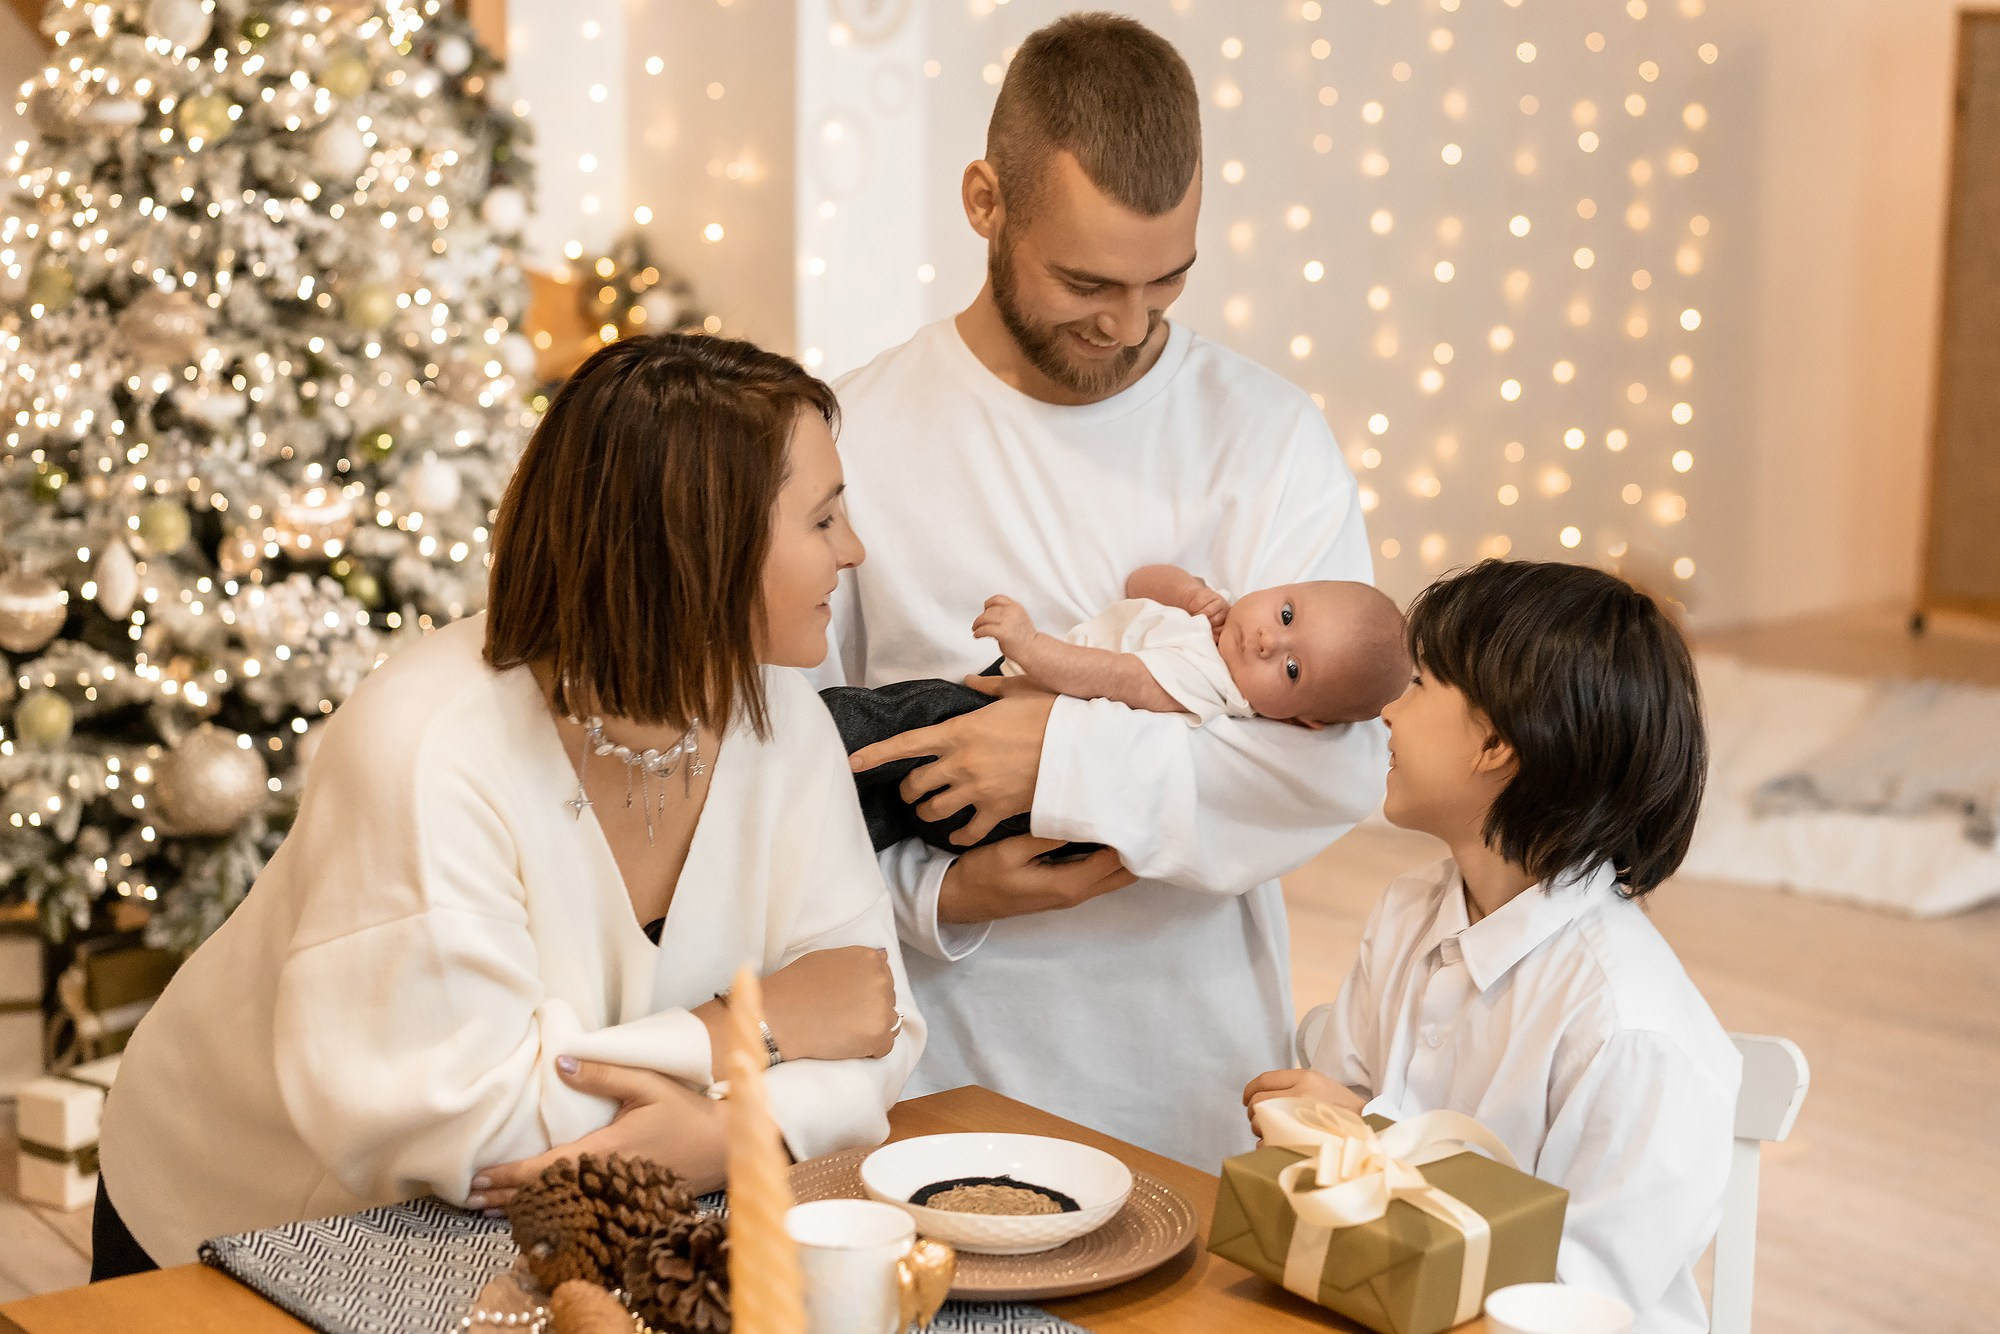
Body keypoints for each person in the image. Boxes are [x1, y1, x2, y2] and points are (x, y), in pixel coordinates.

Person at [94, 334, 924, 1274]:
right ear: (698, 550)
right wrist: (746, 1039)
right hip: (252, 1217)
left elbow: (875, 1022)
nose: (852, 550)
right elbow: (473, 1136)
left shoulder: (783, 720)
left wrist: (715, 1132)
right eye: (822, 520)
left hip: (534, 1238)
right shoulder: (426, 747)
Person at [808, 13, 1387, 1167]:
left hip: (1189, 1084)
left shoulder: (1265, 437)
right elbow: (793, 769)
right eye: (1084, 281)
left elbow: (1332, 761)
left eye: (1163, 280)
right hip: (934, 1078)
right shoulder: (850, 435)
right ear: (984, 200)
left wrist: (1056, 759)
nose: (1126, 325)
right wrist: (946, 898)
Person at [1243, 561, 1740, 1334]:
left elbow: (1566, 1300)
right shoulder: (1409, 911)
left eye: (1417, 685)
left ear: (1497, 744)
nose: (1385, 712)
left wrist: (1370, 1136)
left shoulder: (1631, 1029)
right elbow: (1325, 1148)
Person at [823, 565, 1407, 854]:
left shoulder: (1202, 681)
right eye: (1286, 614)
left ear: (1303, 720)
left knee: (904, 717)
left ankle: (804, 736)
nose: (1267, 642)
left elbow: (1109, 675)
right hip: (1013, 746)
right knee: (890, 808)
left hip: (1011, 747)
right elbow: (1139, 580)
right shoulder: (1215, 632)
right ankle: (824, 823)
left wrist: (1029, 645)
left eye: (1292, 670)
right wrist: (1188, 592)